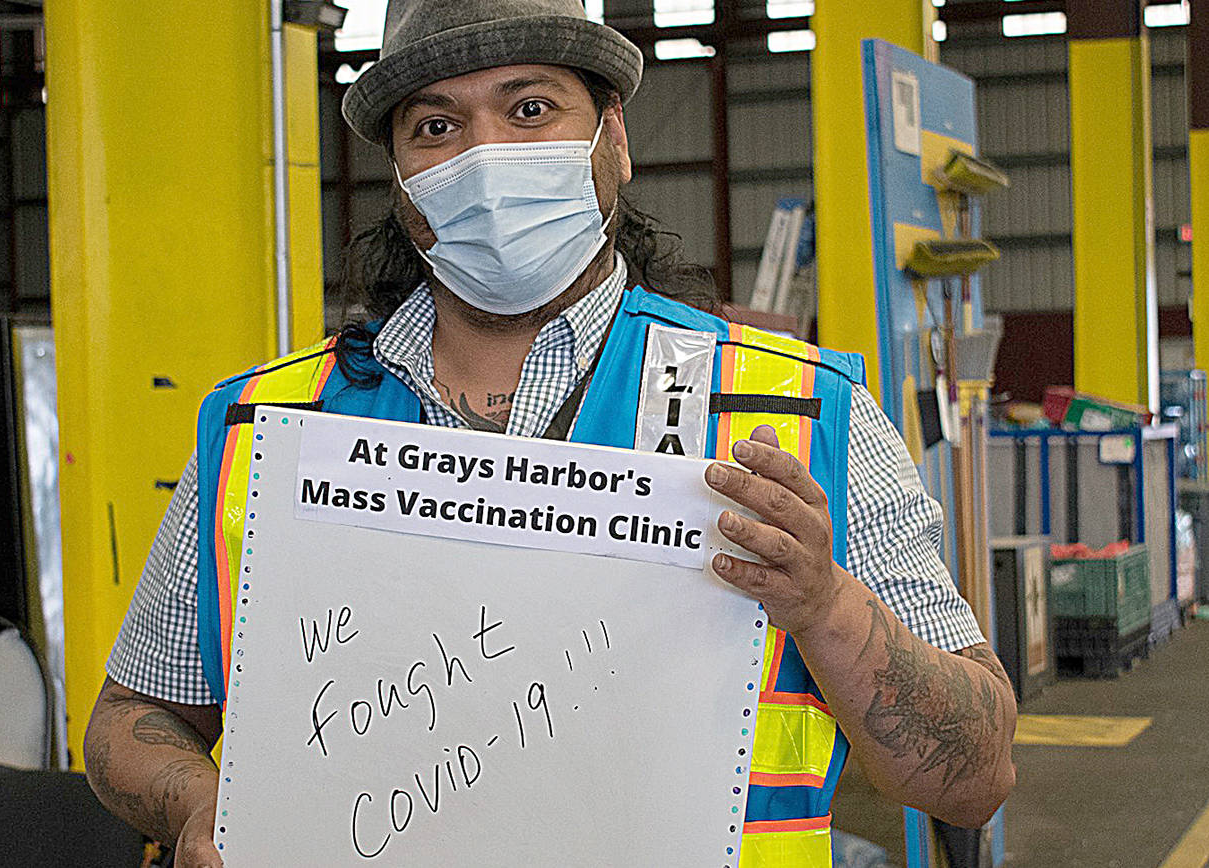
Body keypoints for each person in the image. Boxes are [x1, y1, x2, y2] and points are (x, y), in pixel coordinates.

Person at [82, 1, 1017, 865]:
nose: (485, 156)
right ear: (401, 180)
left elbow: (973, 779)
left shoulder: (794, 415)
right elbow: (128, 720)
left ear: (614, 140)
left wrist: (824, 607)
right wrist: (198, 800)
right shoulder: (268, 428)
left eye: (530, 110)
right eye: (436, 127)